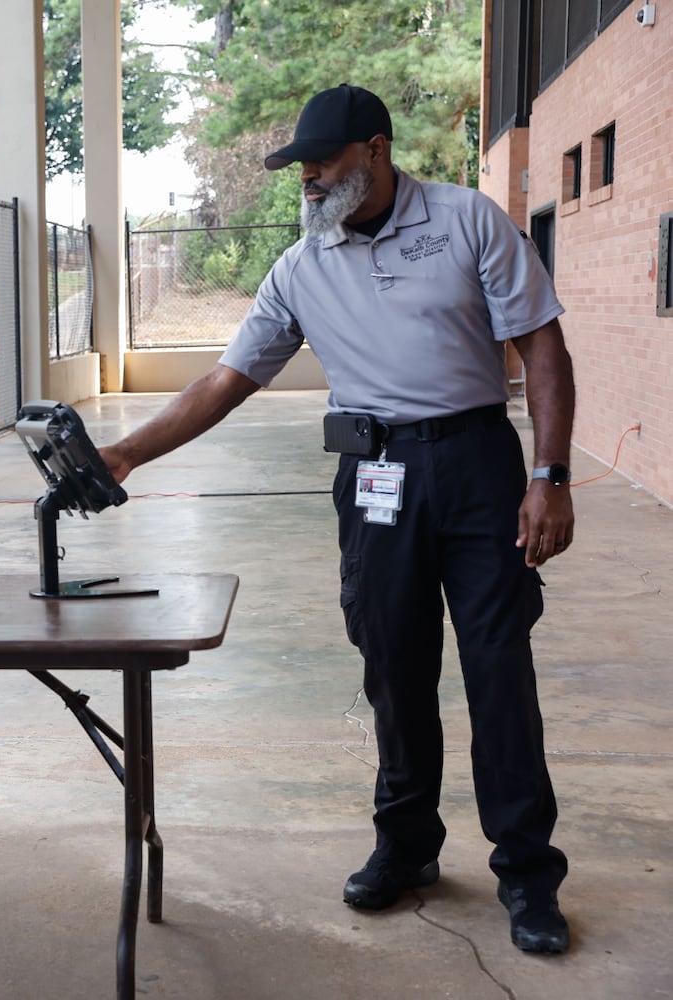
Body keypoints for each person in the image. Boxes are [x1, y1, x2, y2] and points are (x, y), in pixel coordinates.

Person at [99, 84, 575, 954]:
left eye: (321, 164)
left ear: (376, 151)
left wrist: (549, 474)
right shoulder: (299, 267)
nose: (307, 181)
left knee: (497, 665)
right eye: (301, 169)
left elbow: (542, 341)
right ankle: (407, 845)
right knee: (392, 662)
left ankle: (528, 873)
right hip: (374, 474)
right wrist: (125, 453)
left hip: (475, 464)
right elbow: (226, 380)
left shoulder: (469, 222)